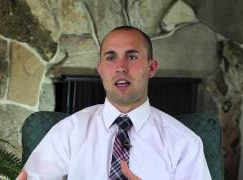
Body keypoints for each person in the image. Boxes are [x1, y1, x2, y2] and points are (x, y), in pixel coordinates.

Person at [17, 26, 212, 180]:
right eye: (111, 57)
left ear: (151, 68)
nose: (120, 67)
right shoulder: (69, 132)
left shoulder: (185, 143)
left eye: (132, 56)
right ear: (100, 69)